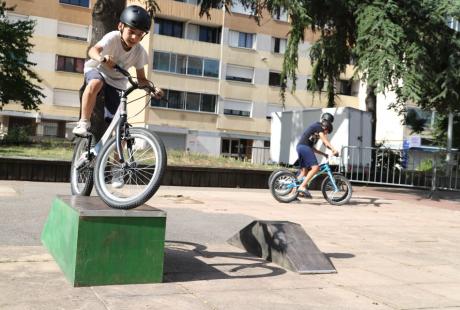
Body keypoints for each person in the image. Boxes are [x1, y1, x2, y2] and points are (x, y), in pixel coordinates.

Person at [73, 5, 163, 136]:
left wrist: (152, 89)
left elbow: (141, 79)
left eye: (139, 35)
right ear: (121, 26)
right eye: (131, 32)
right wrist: (102, 58)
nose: (134, 38)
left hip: (117, 82)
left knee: (121, 128)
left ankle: (117, 156)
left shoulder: (139, 52)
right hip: (98, 69)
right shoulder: (113, 37)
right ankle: (83, 123)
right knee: (96, 83)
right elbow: (93, 50)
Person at [295, 117, 339, 198]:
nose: (326, 134)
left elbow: (312, 148)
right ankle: (302, 186)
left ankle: (292, 194)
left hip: (301, 147)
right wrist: (333, 149)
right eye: (327, 132)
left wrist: (323, 154)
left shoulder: (315, 132)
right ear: (325, 128)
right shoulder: (318, 126)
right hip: (304, 147)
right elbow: (325, 141)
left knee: (303, 172)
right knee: (316, 168)